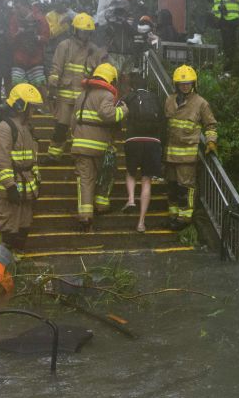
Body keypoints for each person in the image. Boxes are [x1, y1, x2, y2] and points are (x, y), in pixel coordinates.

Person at [70, 62, 127, 231]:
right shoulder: (107, 95)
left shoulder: (81, 96)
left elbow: (73, 122)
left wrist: (76, 138)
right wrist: (124, 110)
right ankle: (101, 205)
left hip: (80, 145)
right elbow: (107, 114)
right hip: (100, 146)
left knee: (85, 180)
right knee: (105, 174)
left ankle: (85, 215)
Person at [45, 12, 108, 163]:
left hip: (83, 94)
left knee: (79, 127)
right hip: (65, 94)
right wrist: (53, 83)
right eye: (82, 31)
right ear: (75, 30)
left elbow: (98, 69)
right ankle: (54, 155)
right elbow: (56, 66)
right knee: (62, 126)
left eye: (87, 32)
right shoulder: (64, 45)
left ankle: (77, 156)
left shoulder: (93, 49)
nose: (85, 34)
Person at [0, 83, 44, 250]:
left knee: (23, 227)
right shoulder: (4, 128)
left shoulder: (27, 128)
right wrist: (10, 186)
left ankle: (17, 264)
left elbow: (33, 159)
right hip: (10, 189)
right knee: (5, 226)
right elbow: (0, 161)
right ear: (21, 106)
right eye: (32, 108)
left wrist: (37, 180)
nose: (33, 112)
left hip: (26, 188)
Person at [164, 65, 217, 229]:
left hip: (187, 155)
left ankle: (184, 218)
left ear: (193, 83)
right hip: (170, 153)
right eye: (181, 83)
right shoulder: (169, 100)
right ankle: (173, 215)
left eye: (188, 83)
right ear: (176, 84)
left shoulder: (201, 103)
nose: (185, 86)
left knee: (186, 187)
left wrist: (211, 141)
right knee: (172, 186)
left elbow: (211, 125)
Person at [121, 77, 164, 233]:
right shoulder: (155, 98)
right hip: (153, 141)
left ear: (132, 86)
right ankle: (141, 222)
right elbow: (162, 119)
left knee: (131, 173)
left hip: (133, 139)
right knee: (146, 179)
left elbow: (118, 114)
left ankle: (131, 199)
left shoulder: (129, 97)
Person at [9, 0, 50, 97]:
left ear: (26, 6)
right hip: (19, 59)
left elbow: (46, 37)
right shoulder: (14, 19)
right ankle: (19, 111)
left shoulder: (39, 19)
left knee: (40, 85)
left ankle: (45, 109)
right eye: (15, 8)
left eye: (18, 7)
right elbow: (10, 39)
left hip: (35, 60)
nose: (16, 10)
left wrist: (36, 37)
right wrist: (17, 34)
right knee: (17, 87)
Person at [208, 0, 239, 72]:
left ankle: (236, 68)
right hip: (222, 20)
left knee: (235, 45)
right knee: (226, 45)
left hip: (233, 19)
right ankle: (229, 68)